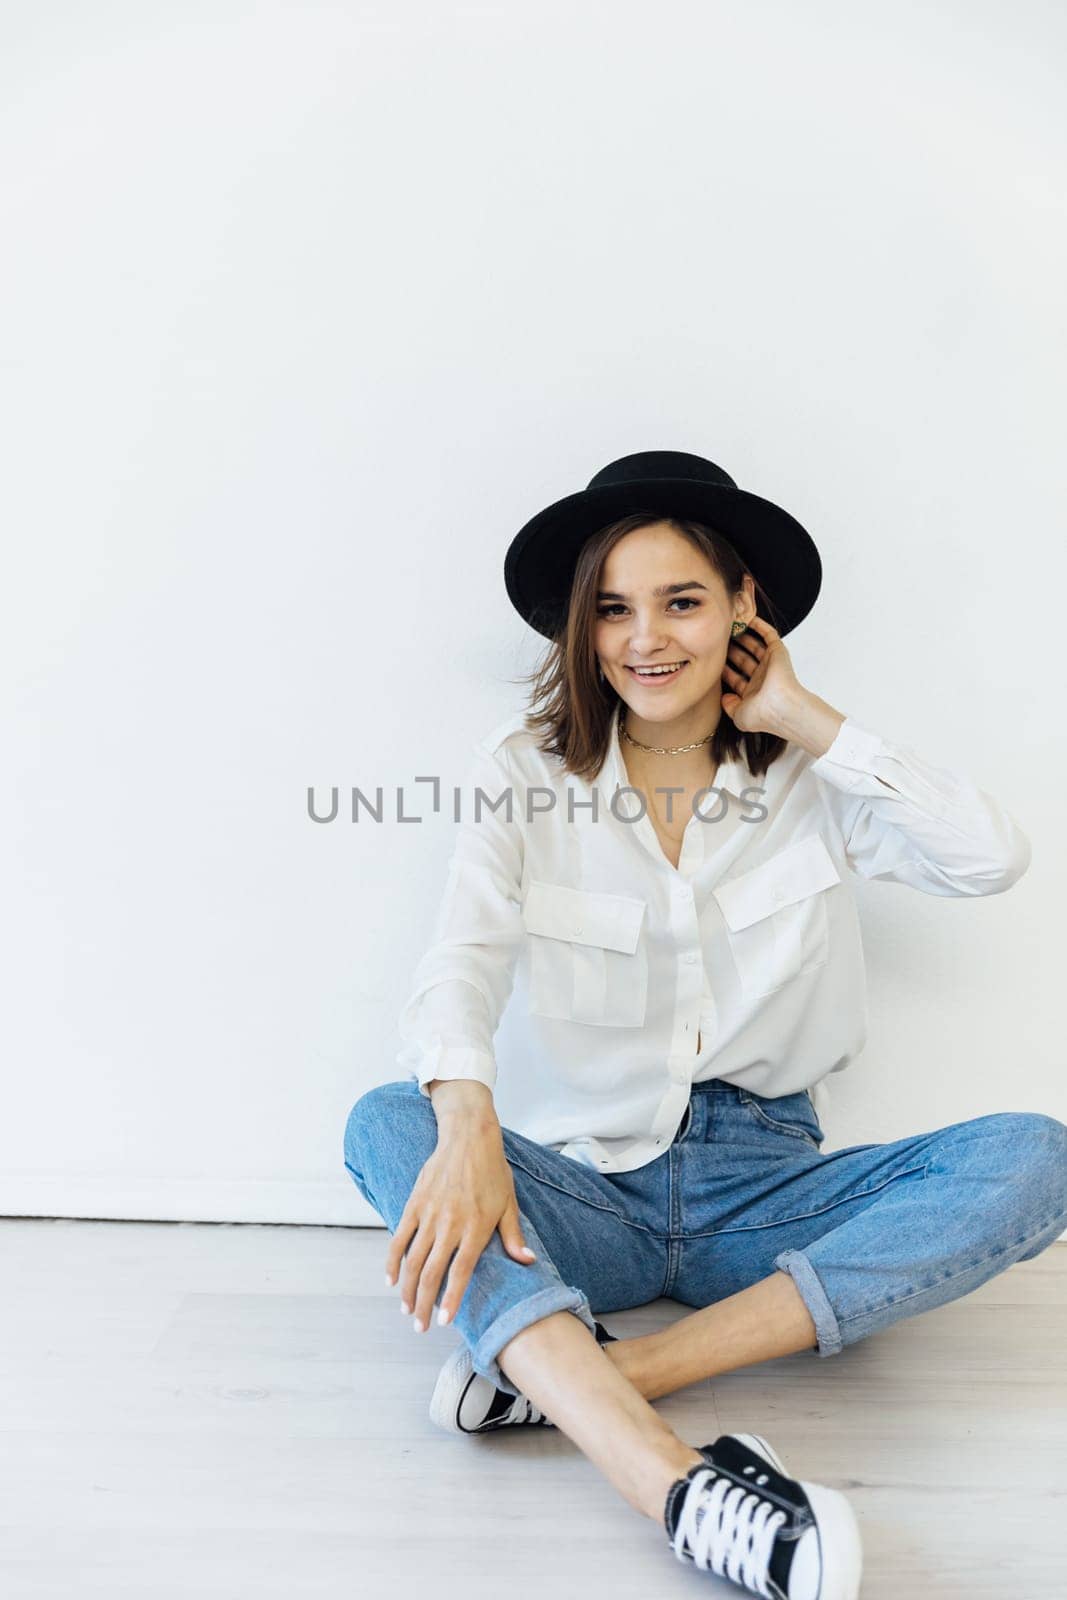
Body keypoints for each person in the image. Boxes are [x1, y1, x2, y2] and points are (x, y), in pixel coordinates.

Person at [342, 451, 1066, 1599]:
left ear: (743, 608)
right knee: (389, 1118)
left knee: (1037, 1156)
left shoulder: (810, 777)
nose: (644, 638)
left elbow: (991, 857)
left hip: (769, 1191)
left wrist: (809, 719)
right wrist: (466, 1110)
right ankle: (672, 1486)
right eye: (613, 609)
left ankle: (587, 1371)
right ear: (581, 630)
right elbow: (460, 962)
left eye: (680, 601)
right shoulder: (525, 773)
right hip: (592, 1195)